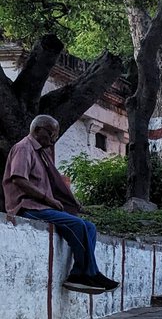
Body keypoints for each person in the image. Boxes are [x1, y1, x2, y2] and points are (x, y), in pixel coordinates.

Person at [3, 115, 119, 294]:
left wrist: (70, 202)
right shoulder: (24, 148)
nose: (53, 139)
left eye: (55, 135)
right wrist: (48, 199)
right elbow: (19, 179)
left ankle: (79, 274)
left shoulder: (42, 154)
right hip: (26, 207)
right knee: (77, 224)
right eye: (50, 133)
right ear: (37, 130)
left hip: (42, 206)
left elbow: (54, 184)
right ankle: (89, 273)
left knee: (90, 227)